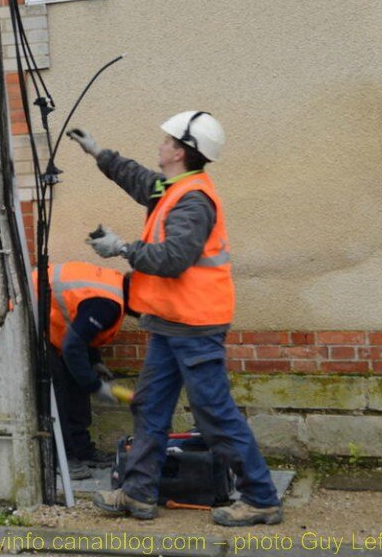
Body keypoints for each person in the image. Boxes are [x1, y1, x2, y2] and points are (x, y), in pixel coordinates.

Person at [69, 111, 282, 527]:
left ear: (181, 151)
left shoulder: (194, 200)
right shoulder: (175, 187)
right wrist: (99, 153)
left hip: (196, 326)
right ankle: (137, 494)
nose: (161, 144)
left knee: (214, 413)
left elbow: (173, 259)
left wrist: (122, 248)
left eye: (167, 140)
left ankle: (261, 497)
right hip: (170, 324)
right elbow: (142, 181)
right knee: (150, 407)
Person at [34, 262, 131, 480]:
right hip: (27, 317)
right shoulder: (108, 304)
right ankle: (61, 457)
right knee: (57, 387)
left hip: (47, 321)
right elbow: (72, 345)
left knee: (76, 380)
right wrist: (96, 386)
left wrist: (93, 361)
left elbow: (82, 330)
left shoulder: (114, 290)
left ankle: (82, 450)